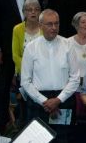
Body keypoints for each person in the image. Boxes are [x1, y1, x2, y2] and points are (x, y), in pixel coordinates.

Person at [0, 0, 43, 132]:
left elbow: (41, 13)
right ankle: (2, 123)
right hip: (8, 47)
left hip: (35, 45)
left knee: (34, 84)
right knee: (4, 85)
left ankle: (32, 123)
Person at [21, 9, 79, 142]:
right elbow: (25, 81)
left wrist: (58, 100)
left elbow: (75, 78)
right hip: (38, 101)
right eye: (49, 24)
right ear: (40, 25)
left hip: (63, 99)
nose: (54, 27)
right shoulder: (31, 47)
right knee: (38, 140)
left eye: (56, 24)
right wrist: (44, 101)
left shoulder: (68, 45)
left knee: (64, 139)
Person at [12, 0, 42, 77]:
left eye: (36, 9)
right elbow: (15, 55)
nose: (33, 12)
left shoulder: (44, 28)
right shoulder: (17, 29)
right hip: (23, 72)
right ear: (24, 12)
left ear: (40, 12)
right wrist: (27, 69)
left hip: (42, 72)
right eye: (29, 10)